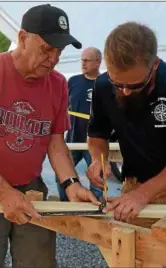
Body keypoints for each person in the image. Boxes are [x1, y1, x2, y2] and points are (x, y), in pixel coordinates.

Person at [0, 4, 100, 268]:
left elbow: (55, 142)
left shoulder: (57, 84)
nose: (54, 58)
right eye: (47, 48)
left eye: (59, 50)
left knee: (39, 262)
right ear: (22, 38)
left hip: (31, 187)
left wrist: (71, 183)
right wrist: (5, 194)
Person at [86, 21, 166, 244]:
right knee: (131, 256)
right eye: (118, 83)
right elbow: (97, 134)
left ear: (154, 64)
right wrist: (99, 159)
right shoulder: (103, 85)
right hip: (133, 186)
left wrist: (144, 194)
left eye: (135, 85)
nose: (124, 91)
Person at [55, 47, 103, 201]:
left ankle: (95, 210)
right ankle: (66, 204)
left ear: (98, 62)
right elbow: (63, 107)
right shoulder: (73, 81)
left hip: (95, 143)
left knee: (96, 179)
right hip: (73, 139)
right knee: (61, 175)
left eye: (87, 60)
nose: (83, 63)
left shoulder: (107, 83)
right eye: (82, 60)